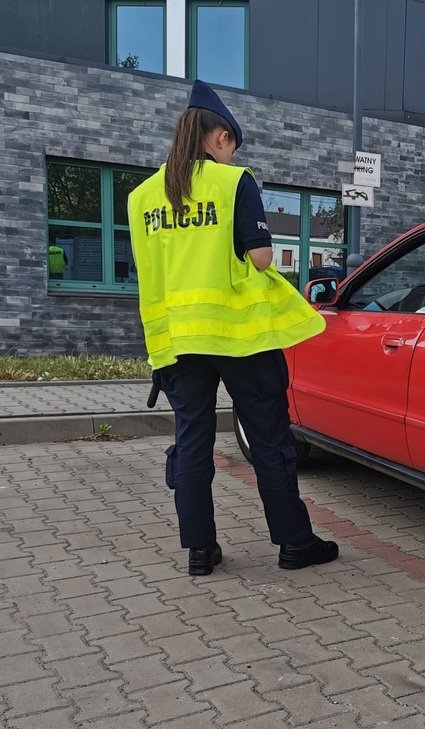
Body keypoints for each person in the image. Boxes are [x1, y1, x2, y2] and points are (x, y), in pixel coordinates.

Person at [127, 80, 339, 576]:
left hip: (177, 341)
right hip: (239, 337)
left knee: (193, 442)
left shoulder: (142, 198)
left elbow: (149, 269)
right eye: (231, 145)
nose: (231, 154)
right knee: (269, 441)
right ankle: (294, 543)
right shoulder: (233, 181)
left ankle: (200, 551)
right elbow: (262, 256)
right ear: (220, 136)